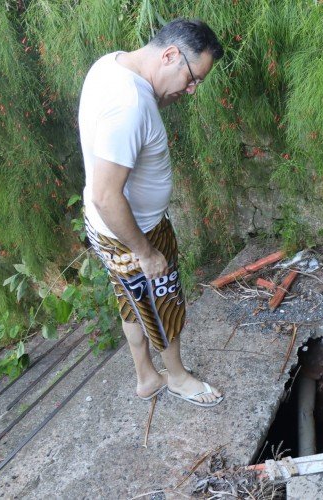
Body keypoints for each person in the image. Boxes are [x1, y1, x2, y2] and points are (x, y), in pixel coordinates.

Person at [78, 19, 224, 407]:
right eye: (193, 78)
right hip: (131, 232)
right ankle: (176, 377)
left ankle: (147, 378)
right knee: (164, 306)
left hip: (108, 231)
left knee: (131, 301)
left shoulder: (110, 66)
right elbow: (107, 195)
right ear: (171, 54)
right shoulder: (130, 105)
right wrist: (145, 250)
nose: (191, 90)